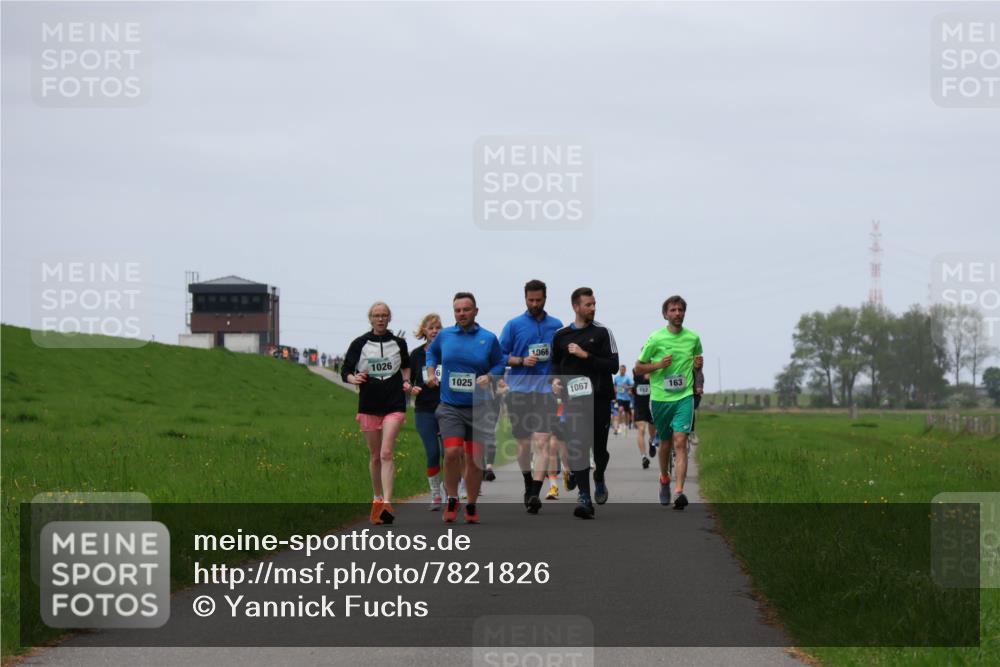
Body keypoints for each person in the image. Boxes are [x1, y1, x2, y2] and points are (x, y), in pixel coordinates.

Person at [425, 292, 506, 523]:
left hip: (479, 407)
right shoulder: (445, 335)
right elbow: (431, 353)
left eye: (466, 309)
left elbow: (500, 362)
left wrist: (490, 377)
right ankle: (452, 498)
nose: (461, 314)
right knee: (451, 453)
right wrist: (431, 372)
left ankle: (470, 504)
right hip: (450, 406)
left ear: (476, 311)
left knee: (473, 458)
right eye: (457, 310)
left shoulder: (488, 338)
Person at [550, 287, 619, 518]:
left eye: (594, 304)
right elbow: (555, 366)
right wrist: (555, 382)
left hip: (599, 398)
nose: (593, 308)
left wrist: (585, 355)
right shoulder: (561, 336)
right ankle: (584, 498)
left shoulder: (602, 333)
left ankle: (599, 475)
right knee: (578, 445)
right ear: (576, 307)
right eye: (588, 305)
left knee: (599, 450)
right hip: (573, 401)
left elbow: (612, 365)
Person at [341, 302, 411, 525]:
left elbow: (407, 366)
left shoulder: (399, 343)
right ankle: (377, 499)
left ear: (390, 318)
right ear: (370, 318)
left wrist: (407, 381)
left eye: (384, 316)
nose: (380, 319)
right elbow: (346, 371)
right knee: (374, 456)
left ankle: (388, 503)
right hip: (369, 404)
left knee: (386, 452)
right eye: (376, 316)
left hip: (394, 403)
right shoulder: (359, 343)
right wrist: (354, 378)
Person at [500, 279, 563, 514]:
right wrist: (520, 360)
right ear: (525, 298)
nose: (534, 304)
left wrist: (557, 379)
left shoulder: (556, 325)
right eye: (530, 300)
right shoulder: (514, 325)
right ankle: (528, 481)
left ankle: (536, 492)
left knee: (542, 441)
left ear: (545, 298)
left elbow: (560, 358)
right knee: (523, 445)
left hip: (545, 392)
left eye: (538, 300)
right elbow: (500, 355)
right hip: (518, 392)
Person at [635, 295, 703, 510]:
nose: (677, 313)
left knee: (680, 441)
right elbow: (638, 367)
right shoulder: (655, 339)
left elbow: (696, 366)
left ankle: (679, 491)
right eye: (673, 310)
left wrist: (698, 366)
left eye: (680, 310)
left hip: (684, 397)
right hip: (661, 399)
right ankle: (664, 478)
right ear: (665, 314)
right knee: (665, 443)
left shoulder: (693, 338)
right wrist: (657, 365)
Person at [409, 313, 445, 510]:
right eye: (431, 328)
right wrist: (411, 388)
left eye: (438, 327)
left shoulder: (447, 352)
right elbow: (408, 380)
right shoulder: (416, 355)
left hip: (447, 408)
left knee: (450, 453)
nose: (434, 331)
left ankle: (451, 491)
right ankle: (435, 494)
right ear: (424, 331)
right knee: (433, 452)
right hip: (424, 410)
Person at [632, 368, 653, 469]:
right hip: (640, 407)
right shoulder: (637, 368)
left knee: (653, 430)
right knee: (641, 429)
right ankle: (644, 457)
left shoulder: (655, 364)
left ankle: (652, 441)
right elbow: (645, 376)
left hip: (652, 405)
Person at [612, 365, 633, 435]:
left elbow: (632, 385)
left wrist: (627, 387)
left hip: (627, 398)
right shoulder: (616, 378)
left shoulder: (627, 378)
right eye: (620, 369)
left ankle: (625, 427)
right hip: (619, 397)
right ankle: (618, 427)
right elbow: (614, 386)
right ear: (619, 370)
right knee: (620, 410)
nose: (622, 371)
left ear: (625, 370)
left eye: (623, 370)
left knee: (626, 414)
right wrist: (615, 391)